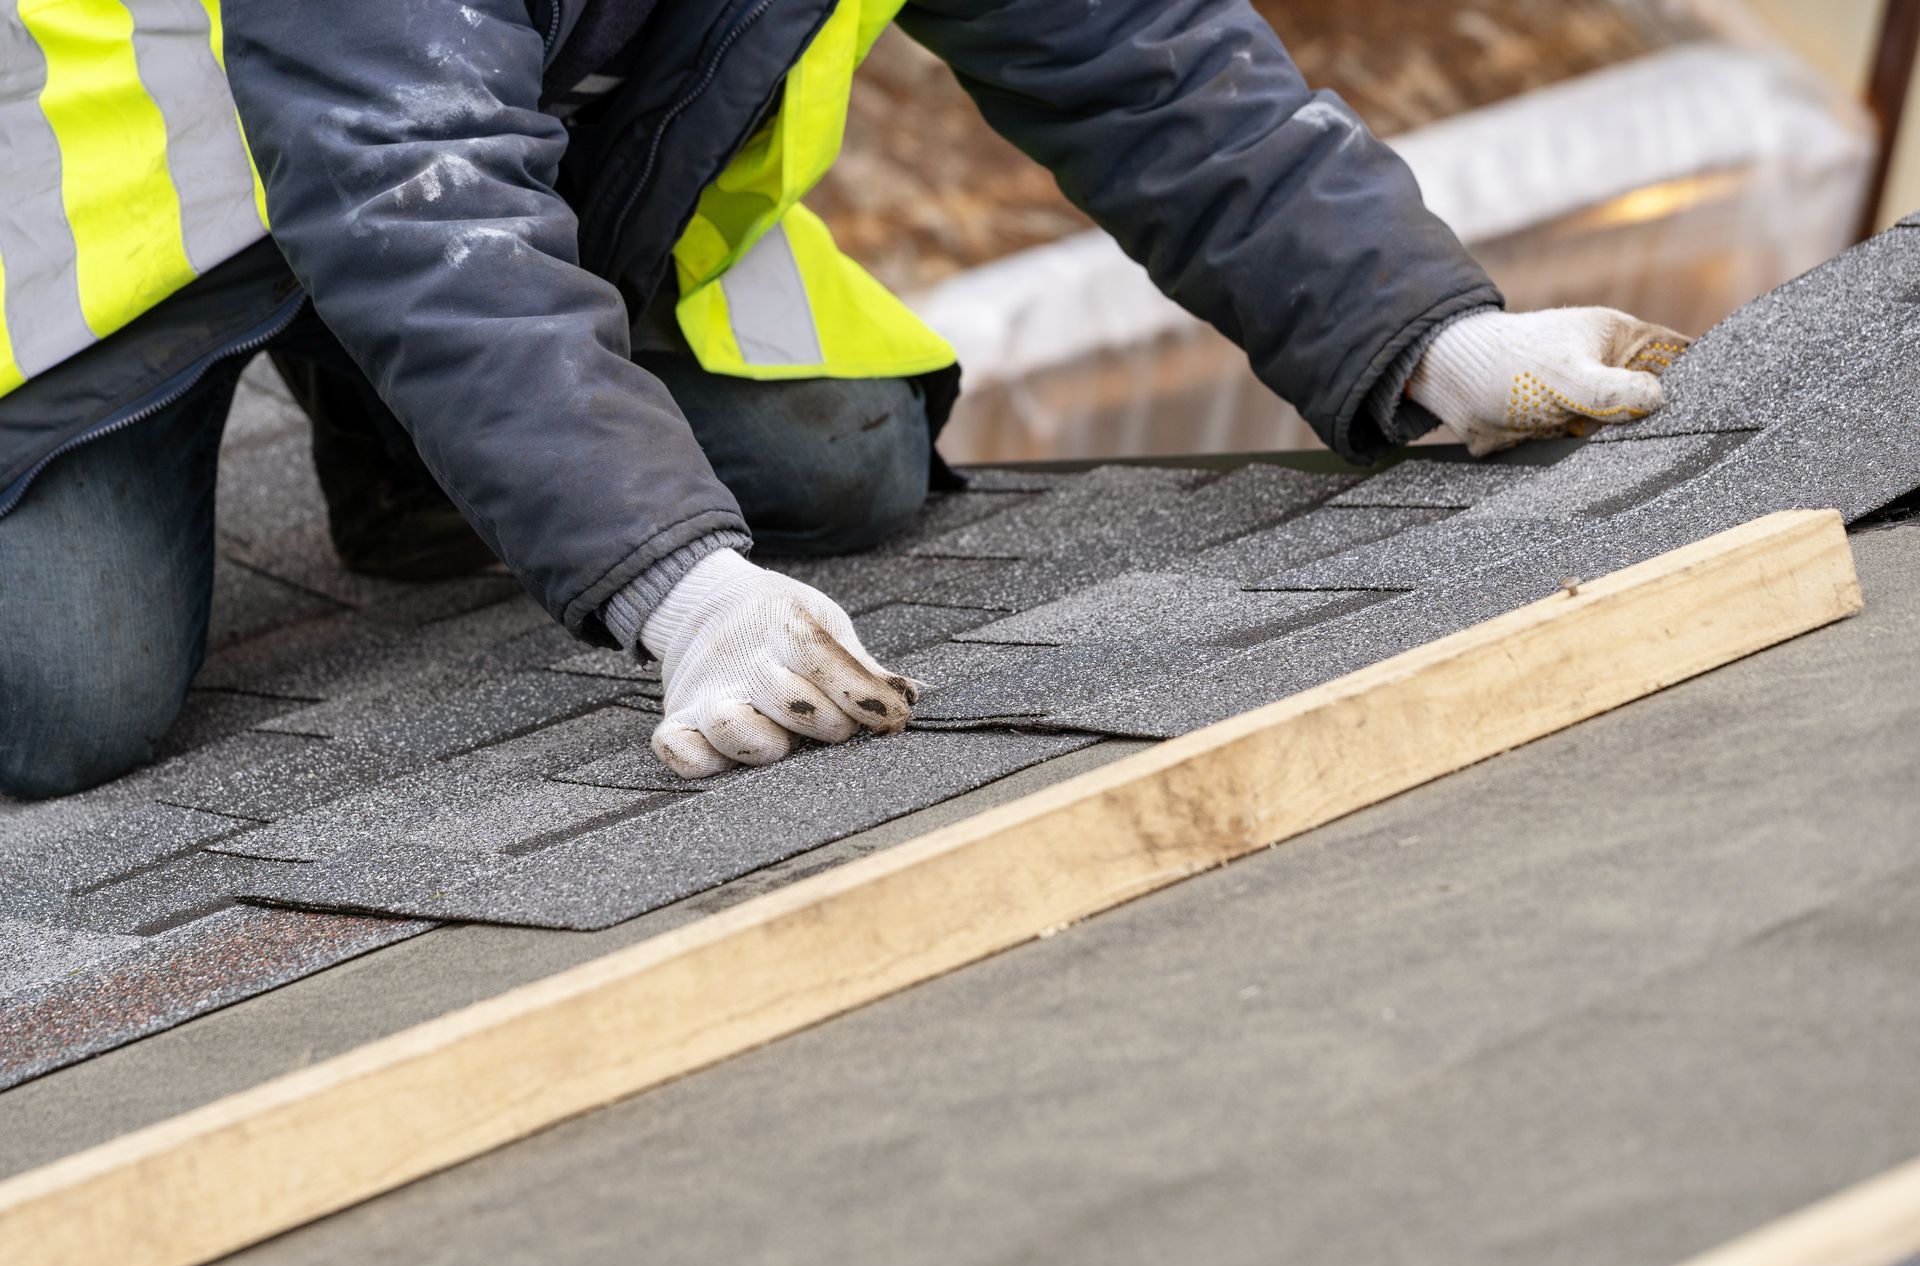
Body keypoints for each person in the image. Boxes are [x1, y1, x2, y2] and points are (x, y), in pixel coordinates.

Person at [0, 0, 1686, 799]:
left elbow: (1137, 52)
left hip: (438, 184)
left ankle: (402, 428)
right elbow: (403, 179)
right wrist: (677, 589)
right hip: (123, 253)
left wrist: (1415, 333)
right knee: (61, 692)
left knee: (842, 463)